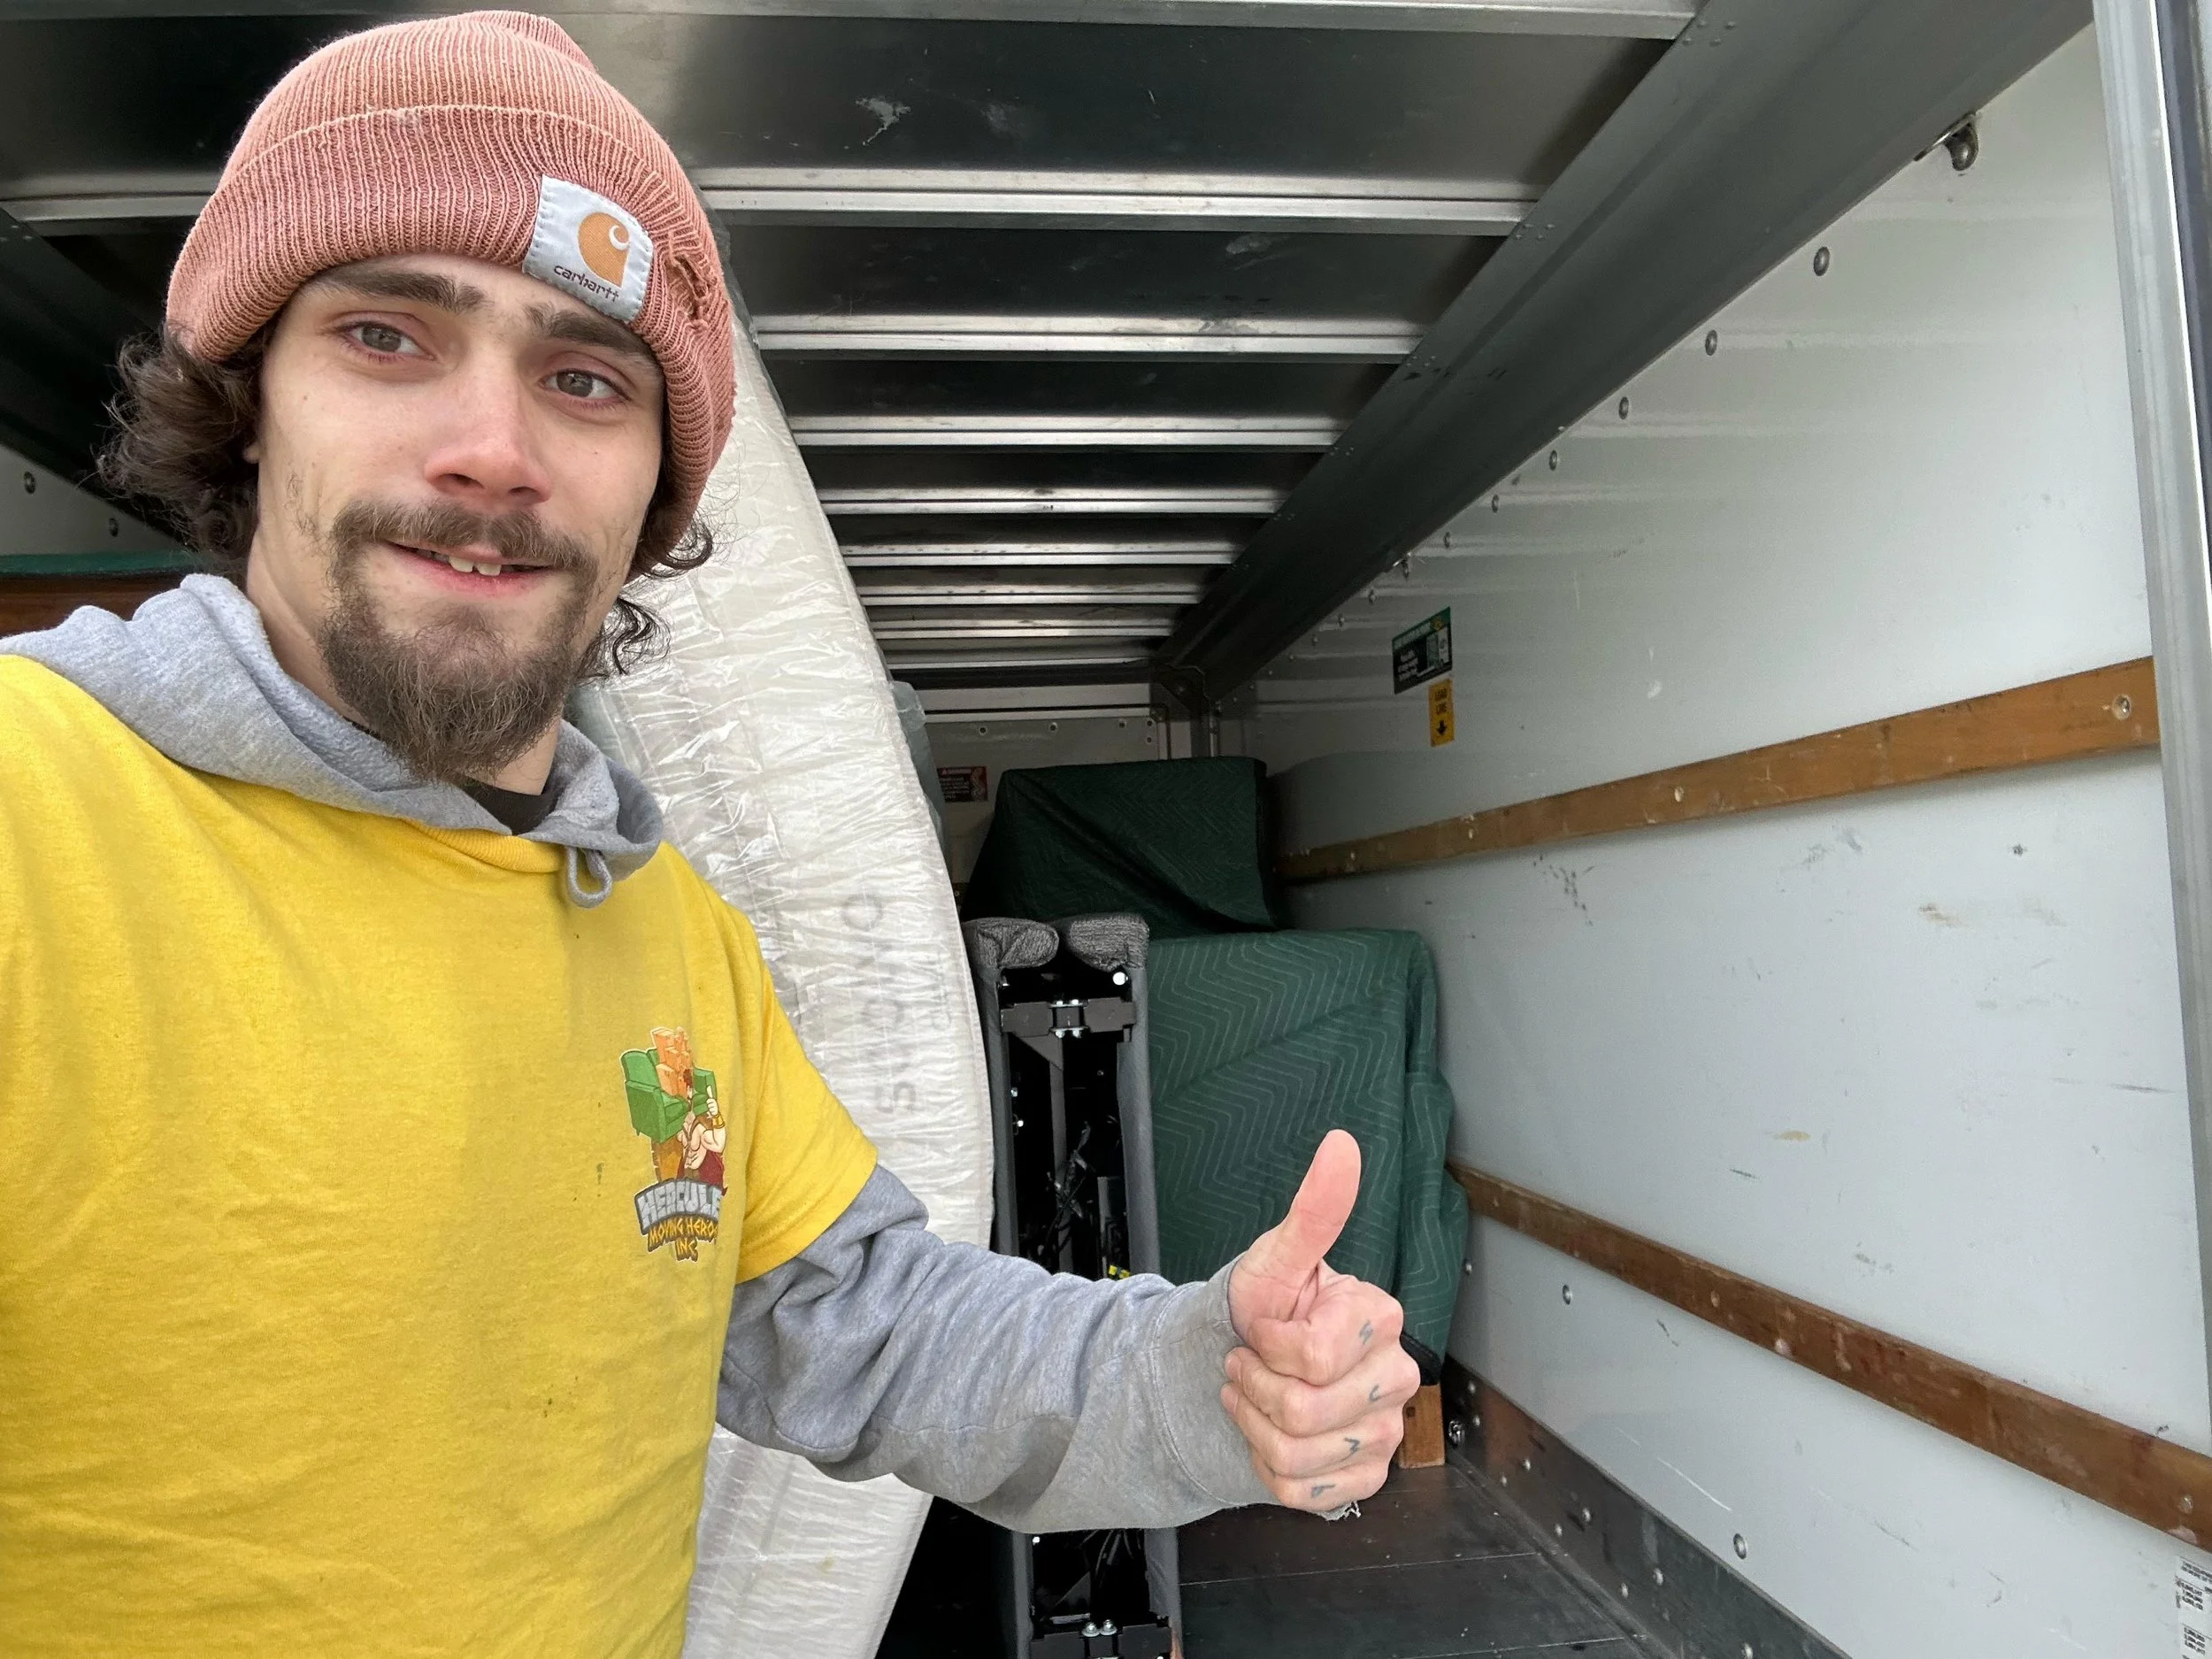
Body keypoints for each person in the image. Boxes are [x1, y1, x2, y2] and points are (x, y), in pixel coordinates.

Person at [0, 12, 1421, 1655]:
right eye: (388, 337)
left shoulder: (663, 931)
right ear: (246, 404)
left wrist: (1199, 1375)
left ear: (658, 493)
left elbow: (870, 1328)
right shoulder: (40, 815)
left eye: (585, 376)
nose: (495, 451)